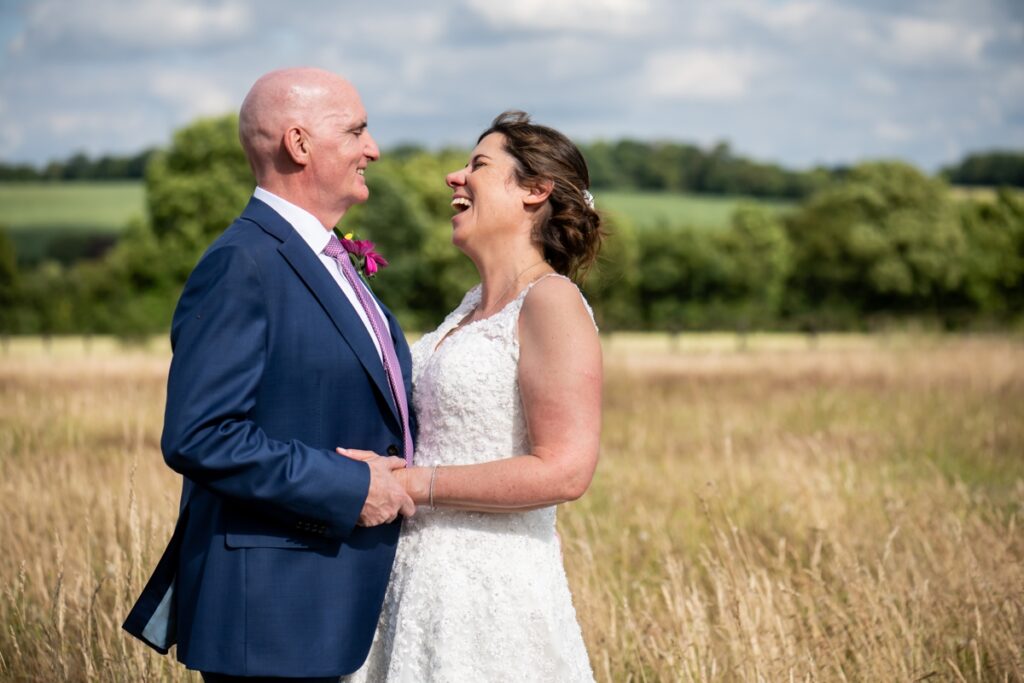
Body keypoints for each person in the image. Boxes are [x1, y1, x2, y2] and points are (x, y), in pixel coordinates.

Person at [122, 67, 417, 681]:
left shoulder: (327, 257)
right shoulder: (242, 263)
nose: (374, 149)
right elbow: (200, 435)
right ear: (299, 144)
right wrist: (350, 487)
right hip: (276, 613)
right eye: (356, 131)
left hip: (332, 605)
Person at [343, 111, 603, 682]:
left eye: (478, 165)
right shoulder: (465, 309)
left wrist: (414, 483)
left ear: (536, 191)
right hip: (416, 583)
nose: (453, 178)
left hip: (493, 597)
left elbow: (565, 471)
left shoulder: (550, 301)